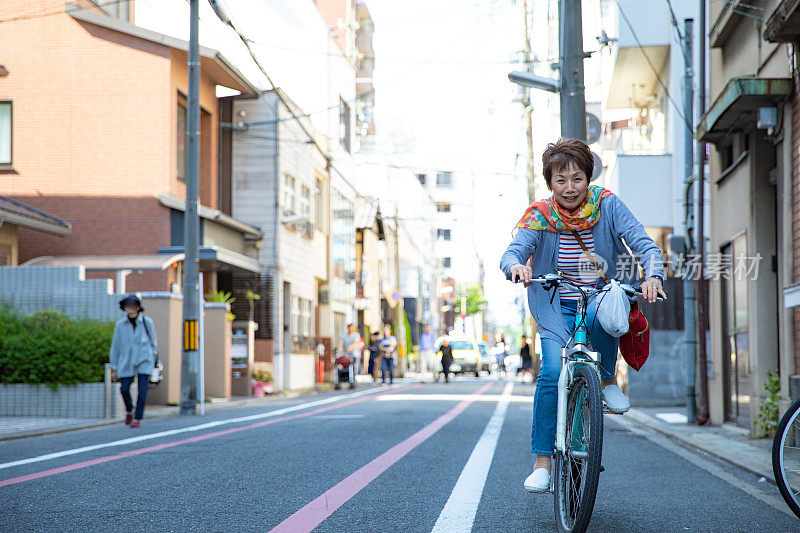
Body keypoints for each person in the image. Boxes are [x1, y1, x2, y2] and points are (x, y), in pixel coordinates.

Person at [500, 138, 665, 493]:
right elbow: (515, 250)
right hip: (554, 302)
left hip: (599, 296)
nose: (570, 187)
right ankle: (542, 462)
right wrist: (516, 266)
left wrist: (653, 275)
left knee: (604, 310)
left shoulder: (607, 204)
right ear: (550, 183)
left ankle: (606, 381)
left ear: (588, 177)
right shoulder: (540, 214)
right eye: (561, 180)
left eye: (577, 178)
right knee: (551, 372)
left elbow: (643, 242)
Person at [109, 295, 158, 428]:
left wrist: (153, 360)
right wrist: (114, 367)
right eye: (127, 306)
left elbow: (153, 343)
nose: (129, 309)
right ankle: (130, 410)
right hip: (126, 361)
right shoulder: (120, 325)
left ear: (137, 307)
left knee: (142, 391)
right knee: (124, 389)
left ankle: (137, 418)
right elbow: (115, 346)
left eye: (132, 305)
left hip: (144, 360)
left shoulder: (147, 322)